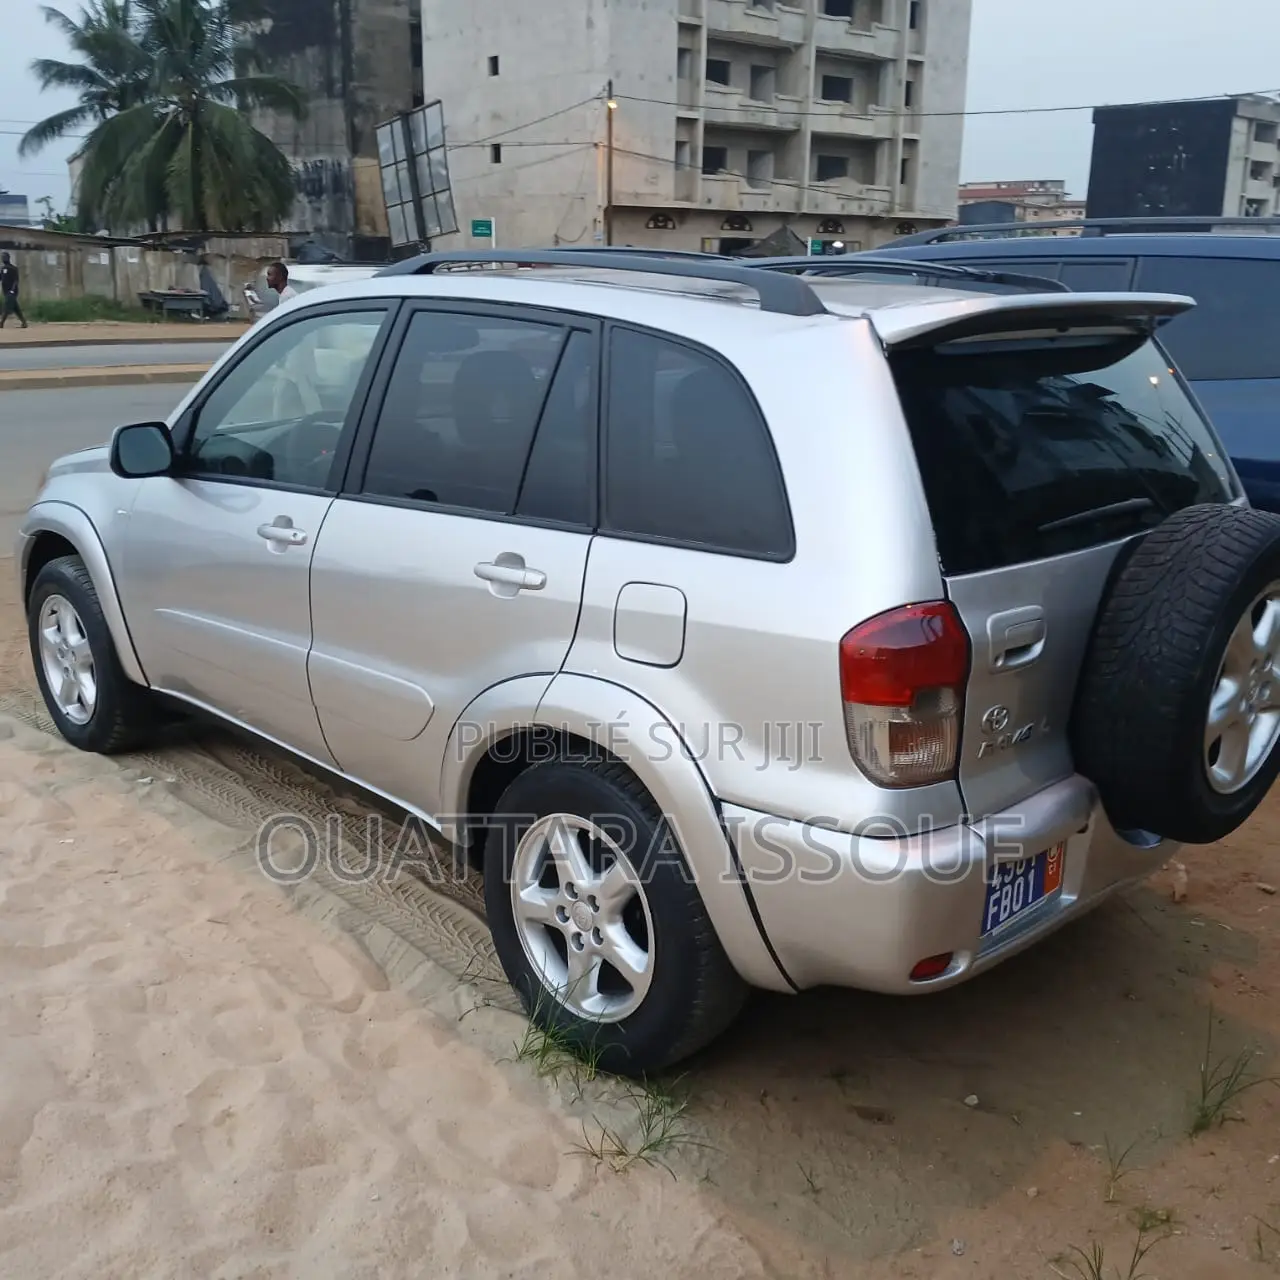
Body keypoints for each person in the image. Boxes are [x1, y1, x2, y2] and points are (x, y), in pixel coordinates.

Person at [0, 252, 28, 329]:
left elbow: (16, 280)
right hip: (5, 291)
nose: (3, 259)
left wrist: (12, 290)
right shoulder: (3, 269)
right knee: (16, 308)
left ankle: (1, 323)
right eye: (2, 257)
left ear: (8, 258)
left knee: (6, 306)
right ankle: (24, 323)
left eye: (4, 257)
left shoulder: (13, 268)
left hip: (12, 291)